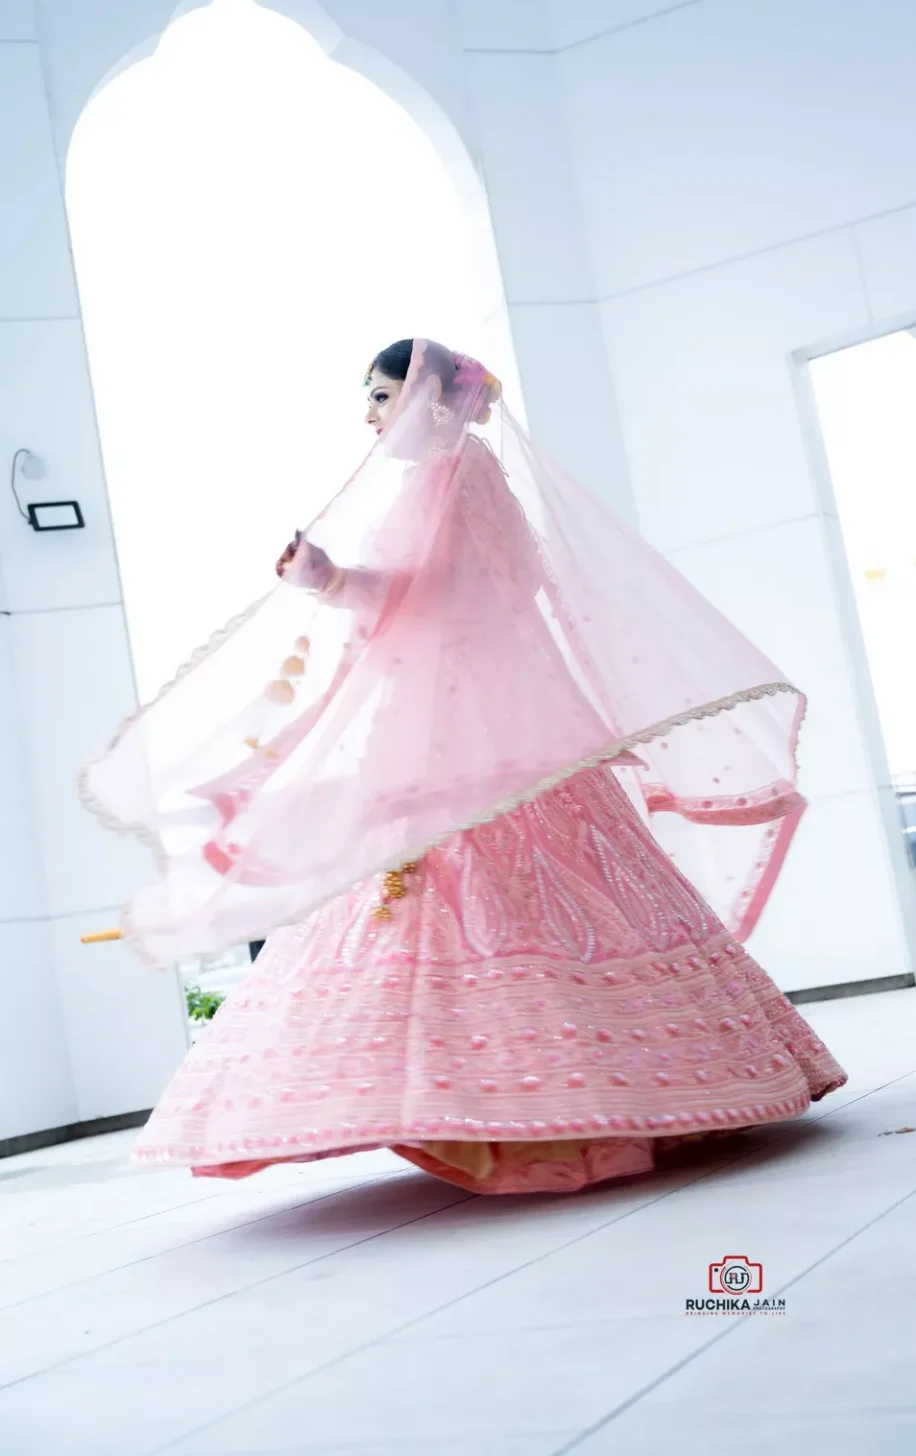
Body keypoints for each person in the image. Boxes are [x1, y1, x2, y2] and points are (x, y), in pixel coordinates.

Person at [80, 339, 845, 1194]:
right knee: (495, 885)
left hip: (465, 726)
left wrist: (334, 579)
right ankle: (535, 1098)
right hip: (461, 717)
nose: (368, 416)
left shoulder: (452, 476)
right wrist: (332, 581)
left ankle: (531, 1110)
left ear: (434, 402)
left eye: (380, 396)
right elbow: (437, 597)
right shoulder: (456, 476)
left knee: (482, 884)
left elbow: (444, 598)